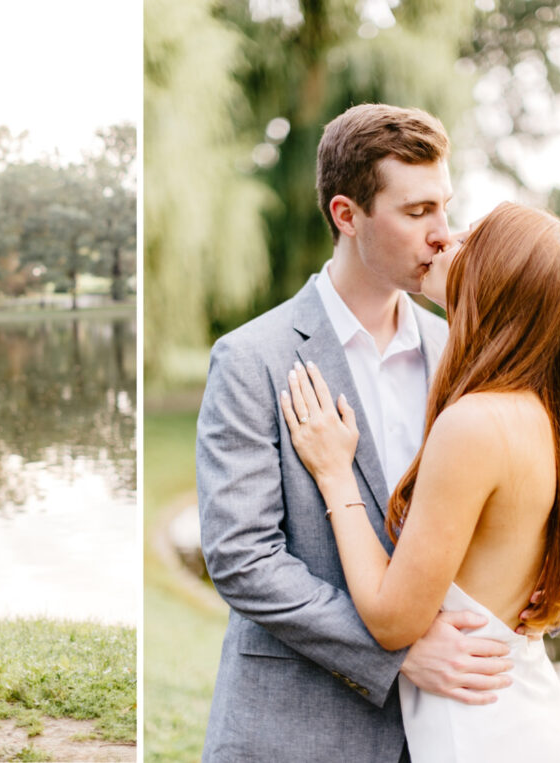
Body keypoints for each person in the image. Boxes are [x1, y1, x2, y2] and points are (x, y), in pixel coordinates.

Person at [197, 104, 515, 762]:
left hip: (443, 735)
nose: (443, 235)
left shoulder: (459, 352)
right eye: (416, 211)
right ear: (347, 215)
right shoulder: (253, 356)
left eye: (444, 207)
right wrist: (396, 651)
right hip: (292, 733)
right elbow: (242, 556)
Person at [280, 201, 560, 761]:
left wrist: (336, 473)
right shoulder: (543, 414)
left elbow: (392, 620)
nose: (445, 239)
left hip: (484, 735)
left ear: (497, 278)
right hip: (521, 715)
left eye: (470, 238)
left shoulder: (476, 423)